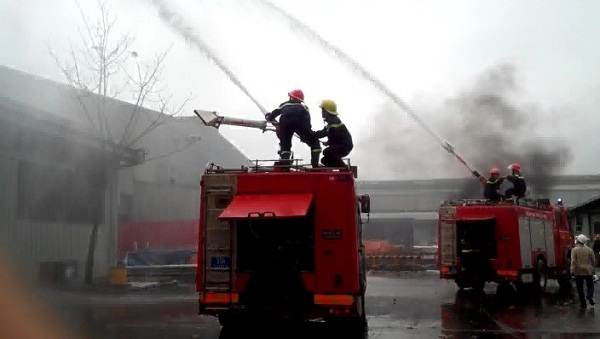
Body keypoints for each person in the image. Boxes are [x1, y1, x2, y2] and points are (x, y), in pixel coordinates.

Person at [265, 89, 322, 167]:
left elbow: (274, 113)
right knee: (314, 143)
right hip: (300, 122)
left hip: (285, 122)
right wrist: (306, 133)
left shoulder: (285, 104)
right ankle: (315, 165)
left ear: (292, 98)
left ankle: (285, 164)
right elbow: (307, 118)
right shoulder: (304, 107)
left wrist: (268, 116)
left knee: (285, 144)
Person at [313, 99, 354, 168]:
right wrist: (311, 135)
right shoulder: (331, 121)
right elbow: (323, 133)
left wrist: (328, 142)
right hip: (341, 145)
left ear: (326, 111)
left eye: (322, 110)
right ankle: (340, 166)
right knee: (324, 160)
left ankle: (345, 167)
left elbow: (334, 136)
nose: (321, 112)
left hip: (344, 146)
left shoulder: (333, 122)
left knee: (327, 152)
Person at [571, 234, 596, 309]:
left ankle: (583, 303)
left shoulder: (574, 250)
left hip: (578, 271)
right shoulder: (589, 249)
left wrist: (572, 270)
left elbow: (573, 261)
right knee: (590, 285)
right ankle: (589, 295)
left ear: (578, 241)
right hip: (588, 270)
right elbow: (593, 260)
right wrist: (593, 269)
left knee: (580, 288)